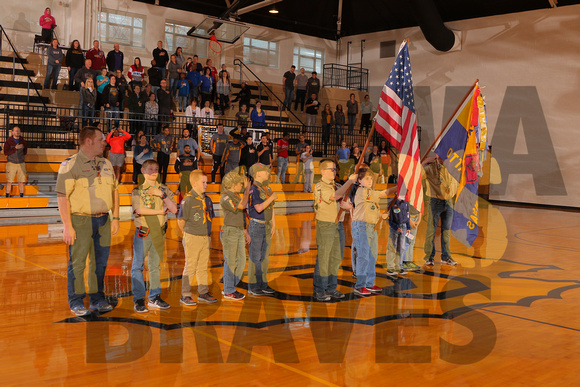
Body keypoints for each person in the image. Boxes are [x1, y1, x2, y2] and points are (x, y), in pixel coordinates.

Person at [56, 126, 120, 316]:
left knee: (99, 264)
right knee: (77, 263)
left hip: (104, 221)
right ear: (89, 141)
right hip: (80, 220)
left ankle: (97, 299)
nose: (104, 142)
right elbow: (62, 197)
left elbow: (114, 191)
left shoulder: (106, 164)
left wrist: (115, 217)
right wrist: (67, 226)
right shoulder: (70, 164)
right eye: (101, 139)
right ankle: (76, 301)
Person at [130, 159, 177, 312]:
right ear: (143, 171)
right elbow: (139, 210)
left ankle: (154, 297)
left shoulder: (164, 189)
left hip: (159, 232)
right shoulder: (138, 190)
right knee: (138, 266)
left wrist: (162, 195)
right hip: (144, 232)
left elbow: (174, 209)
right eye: (150, 168)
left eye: (156, 168)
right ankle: (138, 299)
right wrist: (160, 211)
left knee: (155, 266)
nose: (154, 171)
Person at [312, 159, 357, 301]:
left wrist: (347, 205)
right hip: (326, 225)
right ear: (322, 171)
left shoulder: (336, 185)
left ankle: (331, 288)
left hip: (338, 224)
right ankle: (320, 289)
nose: (334, 171)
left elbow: (343, 198)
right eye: (331, 169)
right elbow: (335, 196)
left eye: (334, 169)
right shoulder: (320, 186)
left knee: (336, 258)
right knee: (324, 258)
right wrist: (349, 182)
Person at [351, 168, 395, 296]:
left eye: (371, 178)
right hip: (361, 227)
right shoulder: (361, 191)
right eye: (366, 178)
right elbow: (382, 194)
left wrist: (382, 215)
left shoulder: (370, 192)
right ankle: (360, 285)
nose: (370, 181)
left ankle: (369, 283)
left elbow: (371, 211)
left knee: (372, 256)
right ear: (359, 180)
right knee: (363, 256)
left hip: (371, 228)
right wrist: (397, 188)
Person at [177, 170, 217, 305]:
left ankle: (203, 292)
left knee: (202, 266)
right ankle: (185, 294)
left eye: (206, 182)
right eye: (203, 182)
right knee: (191, 266)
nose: (206, 185)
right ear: (194, 184)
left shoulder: (207, 199)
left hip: (205, 237)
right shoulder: (188, 200)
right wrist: (188, 235)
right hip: (192, 237)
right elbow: (181, 220)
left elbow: (210, 217)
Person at [247, 164, 277, 296]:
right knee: (255, 257)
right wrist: (272, 197)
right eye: (265, 170)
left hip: (266, 225)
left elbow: (272, 207)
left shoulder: (267, 188)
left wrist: (273, 223)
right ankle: (253, 285)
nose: (268, 172)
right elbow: (259, 208)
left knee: (264, 258)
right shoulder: (254, 189)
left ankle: (263, 283)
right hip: (257, 225)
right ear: (257, 173)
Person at [422, 155, 459, 266]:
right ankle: (429, 257)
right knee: (431, 231)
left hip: (448, 202)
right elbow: (417, 173)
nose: (443, 157)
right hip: (435, 201)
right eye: (441, 155)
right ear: (437, 156)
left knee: (446, 231)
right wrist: (424, 162)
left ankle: (446, 256)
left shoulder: (453, 167)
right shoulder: (431, 168)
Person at [220, 171, 251, 300]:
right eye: (239, 184)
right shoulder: (226, 197)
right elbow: (242, 206)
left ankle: (229, 284)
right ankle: (228, 289)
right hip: (230, 232)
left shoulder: (236, 195)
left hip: (238, 231)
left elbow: (241, 215)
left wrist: (245, 230)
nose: (242, 186)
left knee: (242, 260)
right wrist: (248, 189)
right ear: (232, 185)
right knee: (231, 262)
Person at [385, 198, 412, 275]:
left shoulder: (406, 202)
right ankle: (390, 268)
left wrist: (408, 227)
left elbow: (407, 216)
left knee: (401, 248)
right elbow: (389, 219)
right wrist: (396, 227)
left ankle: (398, 267)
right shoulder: (391, 203)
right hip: (395, 228)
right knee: (392, 247)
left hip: (403, 228)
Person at [4, 126, 28, 198]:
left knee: (21, 181)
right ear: (12, 132)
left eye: (19, 131)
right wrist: (15, 148)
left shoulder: (23, 141)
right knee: (9, 181)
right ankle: (7, 195)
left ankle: (21, 195)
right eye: (16, 131)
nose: (17, 132)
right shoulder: (8, 141)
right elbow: (6, 152)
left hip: (21, 162)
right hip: (11, 163)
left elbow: (25, 152)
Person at [403, 205, 422, 271]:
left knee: (411, 241)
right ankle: (404, 262)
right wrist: (410, 221)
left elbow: (420, 207)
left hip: (416, 219)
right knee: (407, 242)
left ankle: (409, 261)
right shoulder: (408, 196)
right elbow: (404, 208)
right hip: (408, 219)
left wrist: (418, 220)